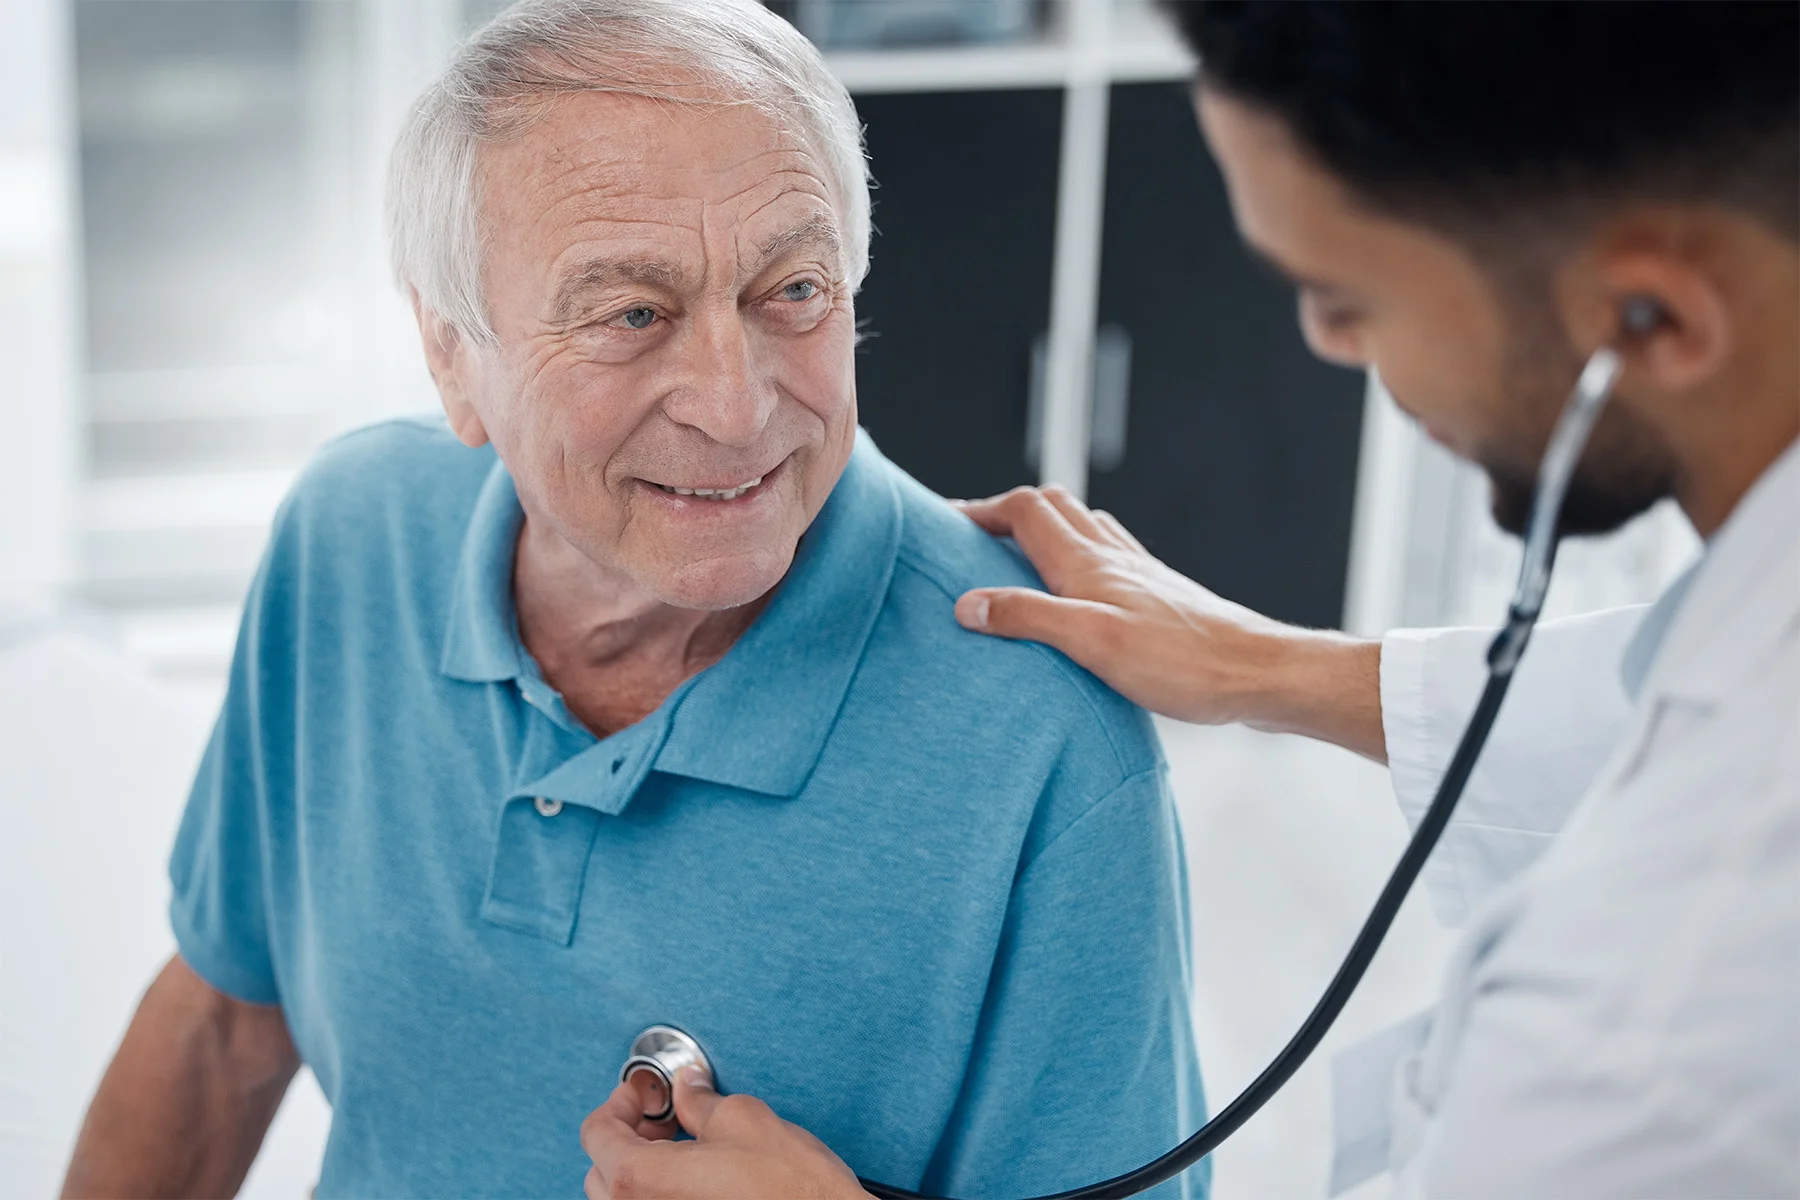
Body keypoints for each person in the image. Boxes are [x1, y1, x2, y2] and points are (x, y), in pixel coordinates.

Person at [578, 2, 1799, 1197]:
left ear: (1654, 321)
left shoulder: (1667, 1023)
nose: (1325, 345)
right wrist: (1279, 667)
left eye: (1346, 295)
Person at [57, 2, 1209, 1196]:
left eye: (794, 288)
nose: (737, 403)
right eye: (634, 314)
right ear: (453, 354)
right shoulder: (351, 537)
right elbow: (220, 1031)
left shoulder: (1048, 740)